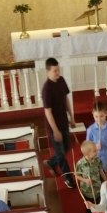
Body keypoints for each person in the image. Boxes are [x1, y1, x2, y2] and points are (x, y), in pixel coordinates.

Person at [42, 57, 76, 189]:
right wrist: (55, 131)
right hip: (53, 126)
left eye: (58, 70)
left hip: (64, 121)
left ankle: (51, 162)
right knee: (61, 153)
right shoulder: (47, 89)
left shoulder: (61, 80)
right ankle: (68, 178)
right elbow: (48, 112)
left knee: (66, 147)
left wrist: (71, 117)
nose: (58, 73)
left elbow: (66, 99)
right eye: (55, 71)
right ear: (47, 72)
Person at [74, 140, 106, 213]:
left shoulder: (97, 160)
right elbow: (77, 176)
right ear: (87, 153)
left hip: (98, 190)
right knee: (89, 209)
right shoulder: (80, 164)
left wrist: (106, 181)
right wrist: (85, 180)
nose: (97, 152)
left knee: (99, 206)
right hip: (87, 191)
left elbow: (101, 171)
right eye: (94, 151)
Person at [85, 100, 107, 172]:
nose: (99, 119)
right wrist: (95, 147)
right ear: (93, 115)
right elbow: (87, 148)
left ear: (106, 113)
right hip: (95, 162)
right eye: (96, 116)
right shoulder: (90, 130)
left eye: (101, 116)